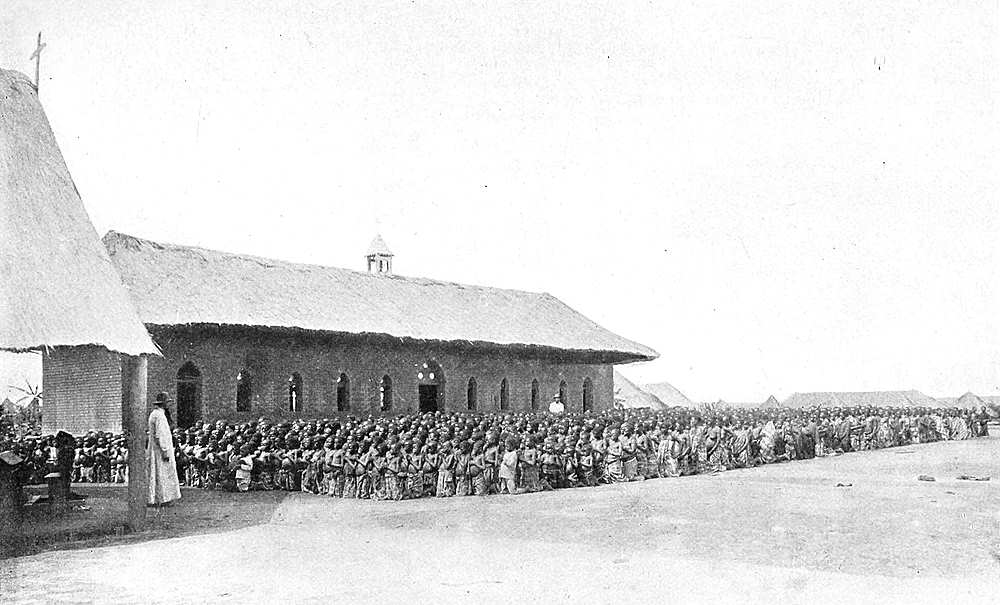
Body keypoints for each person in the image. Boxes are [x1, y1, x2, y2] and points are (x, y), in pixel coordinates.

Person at [147, 392, 182, 506]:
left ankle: (158, 498)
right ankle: (163, 499)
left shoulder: (155, 414)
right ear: (163, 403)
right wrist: (164, 450)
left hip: (156, 448)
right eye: (167, 402)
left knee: (158, 472)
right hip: (160, 449)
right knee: (163, 472)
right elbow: (160, 435)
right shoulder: (160, 416)